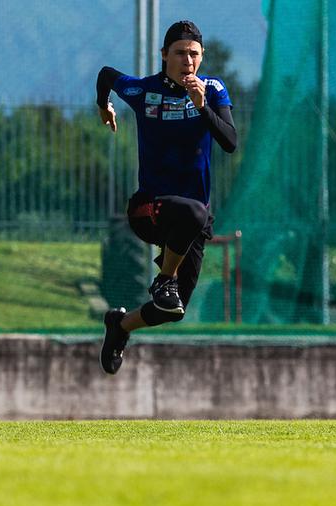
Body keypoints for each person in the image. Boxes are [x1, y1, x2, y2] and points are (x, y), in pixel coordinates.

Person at [95, 20, 237, 374]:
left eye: (193, 54)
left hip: (193, 221)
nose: (187, 61)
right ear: (164, 55)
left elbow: (230, 142)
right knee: (193, 215)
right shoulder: (144, 91)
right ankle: (165, 278)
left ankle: (120, 326)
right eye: (179, 53)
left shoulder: (213, 89)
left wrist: (201, 106)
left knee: (171, 310)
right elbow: (106, 75)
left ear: (201, 58)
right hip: (148, 209)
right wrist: (103, 106)